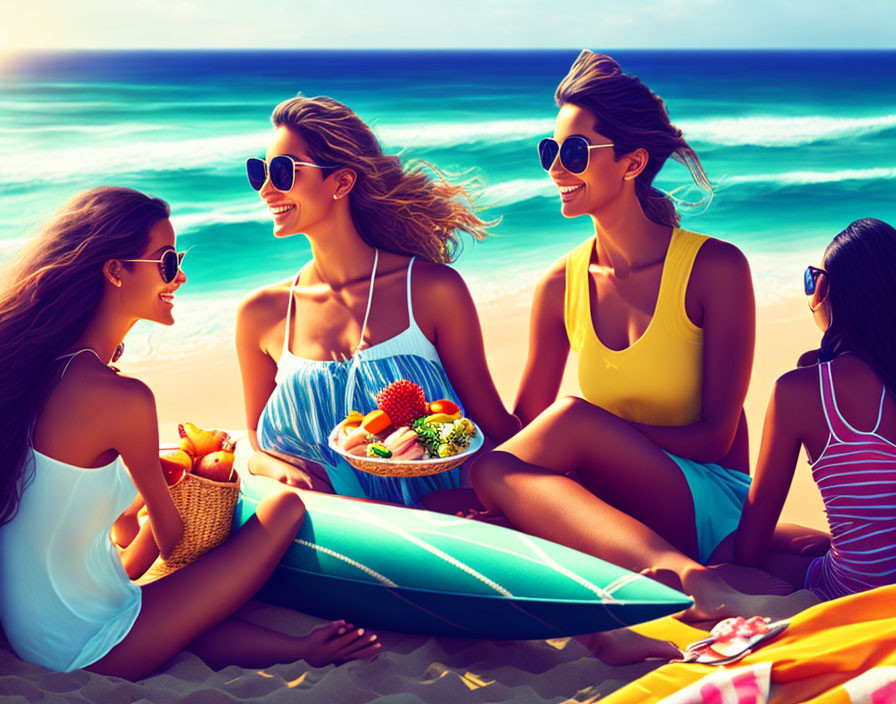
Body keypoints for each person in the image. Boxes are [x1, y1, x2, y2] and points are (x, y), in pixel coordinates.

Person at [0, 187, 381, 679]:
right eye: (165, 262)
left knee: (176, 611)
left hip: (42, 632)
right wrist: (174, 492)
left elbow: (82, 519)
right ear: (116, 271)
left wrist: (133, 505)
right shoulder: (123, 398)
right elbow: (167, 540)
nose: (179, 275)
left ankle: (300, 648)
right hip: (89, 644)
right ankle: (299, 647)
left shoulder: (34, 372)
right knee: (285, 508)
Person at [471, 50, 786, 618]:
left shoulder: (714, 269)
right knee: (496, 470)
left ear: (632, 162)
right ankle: (674, 574)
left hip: (708, 503)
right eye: (549, 151)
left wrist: (595, 437)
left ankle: (694, 579)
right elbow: (525, 435)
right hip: (615, 511)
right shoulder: (558, 286)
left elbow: (717, 438)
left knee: (564, 422)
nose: (554, 170)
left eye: (573, 153)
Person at [237, 95, 520, 509]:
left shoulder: (430, 292)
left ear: (341, 183)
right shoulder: (260, 314)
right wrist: (269, 468)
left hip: (440, 530)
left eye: (283, 171)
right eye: (258, 171)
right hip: (321, 540)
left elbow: (493, 429)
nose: (265, 188)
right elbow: (257, 444)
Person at [732, 218, 896, 600]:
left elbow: (749, 548)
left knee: (728, 554)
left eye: (814, 281)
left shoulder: (800, 392)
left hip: (859, 590)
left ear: (826, 290)